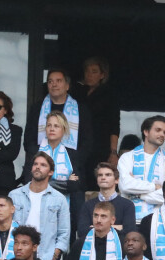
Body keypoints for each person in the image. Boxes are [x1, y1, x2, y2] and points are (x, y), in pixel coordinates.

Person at [24, 68, 92, 196]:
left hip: (73, 166)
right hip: (40, 163)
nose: (53, 84)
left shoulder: (81, 109)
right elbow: (28, 139)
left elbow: (87, 142)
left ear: (67, 85)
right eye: (50, 81)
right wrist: (39, 157)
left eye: (58, 81)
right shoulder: (37, 108)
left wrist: (73, 161)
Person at [9, 151, 71, 260]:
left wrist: (55, 253)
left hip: (46, 258)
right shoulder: (14, 195)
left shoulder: (59, 199)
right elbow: (6, 225)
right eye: (35, 164)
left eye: (43, 165)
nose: (38, 166)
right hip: (17, 254)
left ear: (51, 172)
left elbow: (64, 232)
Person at [25, 111, 81, 239]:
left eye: (56, 126)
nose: (52, 129)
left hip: (64, 211)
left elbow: (76, 185)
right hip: (36, 209)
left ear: (64, 129)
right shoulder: (34, 151)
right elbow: (29, 181)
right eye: (49, 125)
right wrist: (66, 182)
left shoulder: (72, 154)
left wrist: (44, 181)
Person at [118, 115, 165, 222]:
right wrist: (155, 187)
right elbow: (125, 186)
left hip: (158, 221)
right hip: (128, 220)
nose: (162, 134)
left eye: (164, 132)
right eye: (158, 130)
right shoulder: (127, 158)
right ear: (146, 132)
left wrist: (137, 193)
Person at [76, 56, 120, 191]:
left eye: (94, 71)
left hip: (100, 146)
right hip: (80, 145)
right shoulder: (78, 93)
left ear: (102, 75)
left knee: (97, 183)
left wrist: (113, 152)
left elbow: (114, 125)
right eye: (87, 71)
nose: (89, 75)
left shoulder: (109, 95)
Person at [77, 162, 136, 238]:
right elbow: (82, 232)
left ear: (117, 180)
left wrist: (95, 228)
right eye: (100, 175)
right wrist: (117, 227)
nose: (103, 177)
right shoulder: (87, 205)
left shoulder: (127, 205)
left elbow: (129, 232)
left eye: (108, 175)